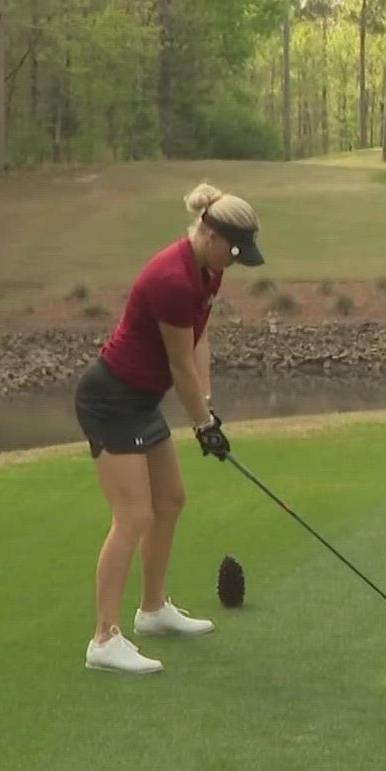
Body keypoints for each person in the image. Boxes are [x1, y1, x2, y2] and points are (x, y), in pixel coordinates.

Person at [72, 183, 264, 674]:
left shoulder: (208, 271)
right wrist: (201, 424)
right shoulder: (172, 279)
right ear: (210, 234)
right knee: (133, 515)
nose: (236, 263)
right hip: (110, 399)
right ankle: (103, 639)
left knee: (171, 500)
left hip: (141, 400)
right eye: (234, 253)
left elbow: (198, 342)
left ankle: (153, 611)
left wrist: (208, 409)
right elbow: (178, 364)